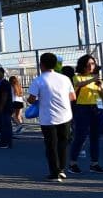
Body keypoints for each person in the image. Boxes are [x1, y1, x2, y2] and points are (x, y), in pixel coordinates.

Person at [27, 52, 75, 181]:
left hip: (48, 118)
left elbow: (31, 99)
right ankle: (62, 170)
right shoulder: (65, 78)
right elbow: (72, 97)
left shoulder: (39, 80)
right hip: (65, 115)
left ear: (41, 64)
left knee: (51, 145)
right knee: (63, 144)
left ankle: (55, 173)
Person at [68, 54, 103, 174]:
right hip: (83, 108)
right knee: (81, 136)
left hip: (97, 108)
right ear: (83, 65)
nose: (91, 66)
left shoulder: (98, 79)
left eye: (93, 63)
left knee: (95, 137)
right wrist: (92, 79)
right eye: (88, 64)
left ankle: (94, 163)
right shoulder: (77, 77)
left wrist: (101, 87)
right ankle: (73, 163)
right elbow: (78, 85)